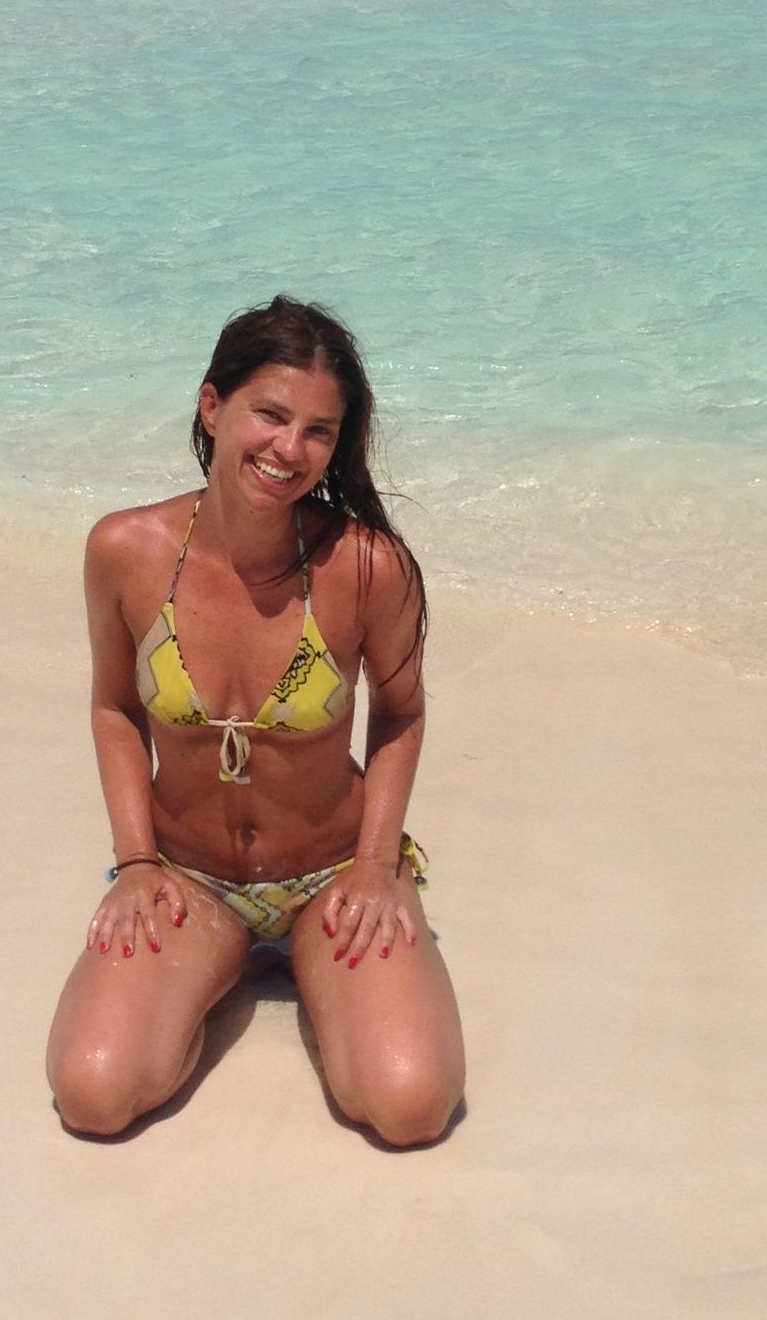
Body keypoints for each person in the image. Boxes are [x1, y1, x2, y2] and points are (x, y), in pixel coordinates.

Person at [45, 295, 466, 1147]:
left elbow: (402, 713)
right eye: (270, 415)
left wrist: (375, 869)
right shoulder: (125, 551)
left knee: (409, 1107)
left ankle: (314, 966)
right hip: (188, 876)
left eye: (319, 431)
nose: (289, 450)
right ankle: (219, 961)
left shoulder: (367, 567)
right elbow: (115, 707)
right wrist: (135, 863)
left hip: (333, 873)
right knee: (94, 1096)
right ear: (213, 407)